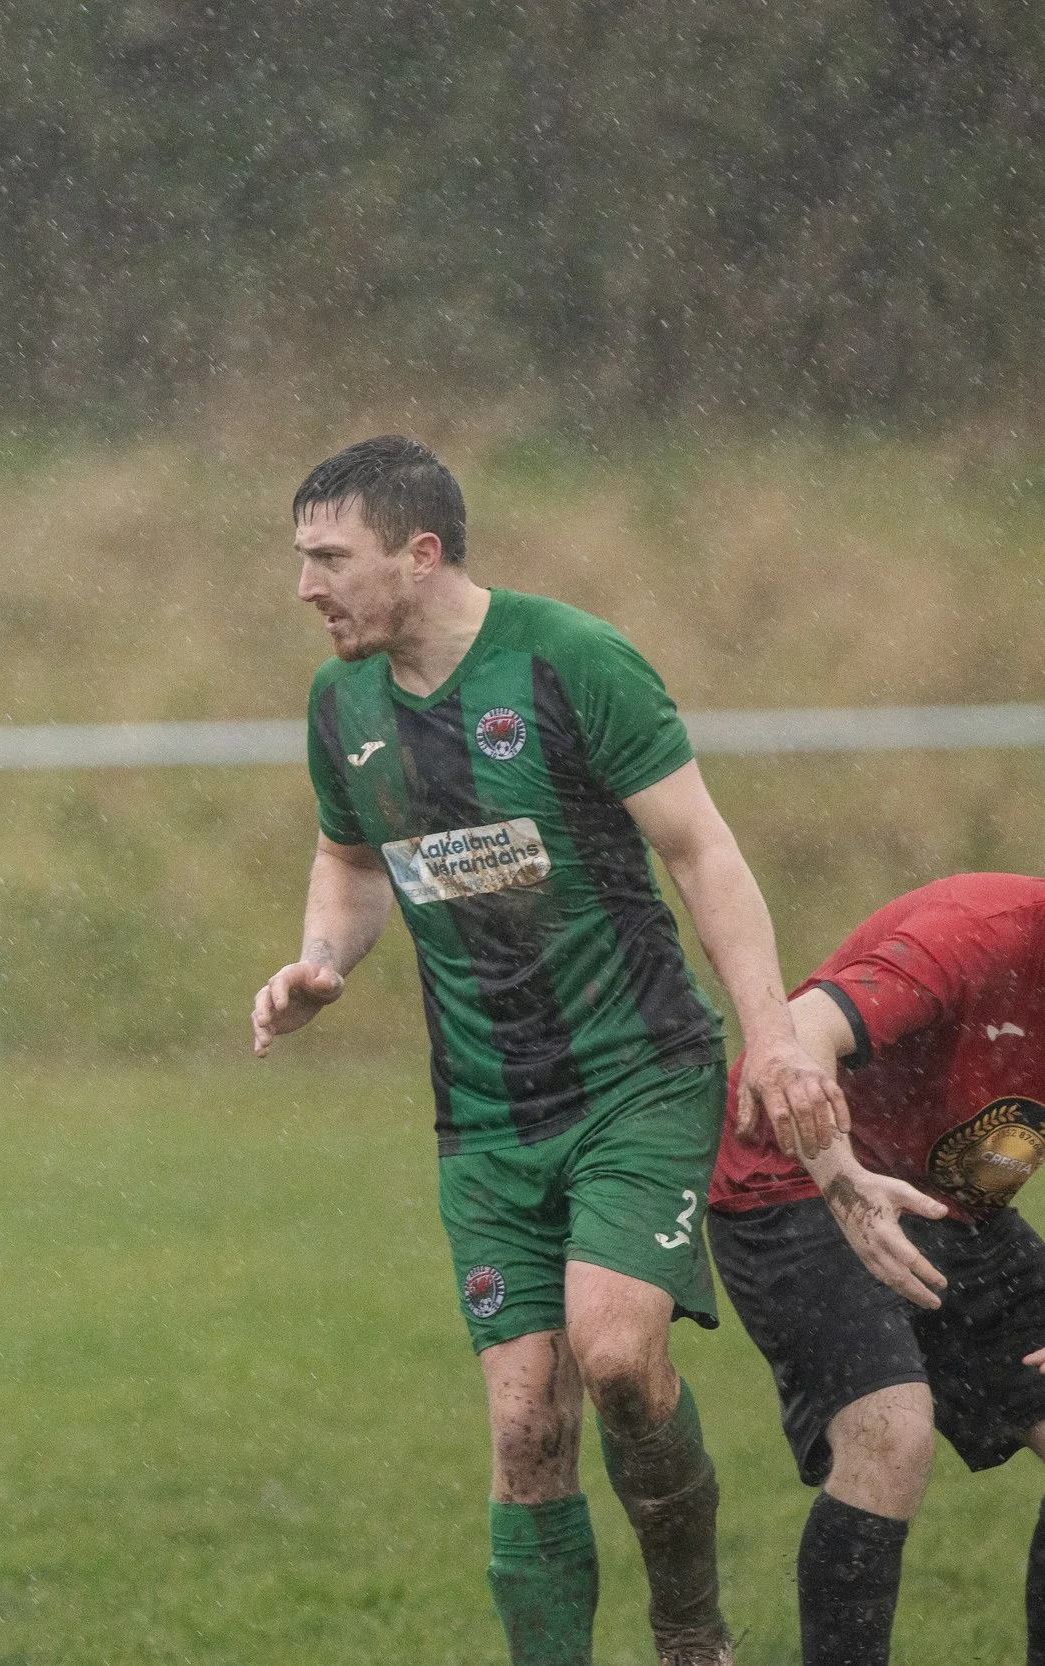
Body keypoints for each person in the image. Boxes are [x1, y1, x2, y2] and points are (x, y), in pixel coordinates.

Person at [250, 435, 846, 1666]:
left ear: (420, 555)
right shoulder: (340, 703)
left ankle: (690, 1634)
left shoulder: (571, 658)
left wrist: (773, 1036)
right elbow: (353, 860)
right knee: (525, 1429)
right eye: (299, 559)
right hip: (482, 1117)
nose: (305, 586)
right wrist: (321, 960)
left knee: (618, 1354)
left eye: (328, 558)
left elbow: (701, 851)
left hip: (635, 1079)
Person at [711, 872, 1045, 1666]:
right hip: (798, 1180)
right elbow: (794, 1035)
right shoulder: (980, 930)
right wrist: (846, 1187)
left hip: (956, 1205)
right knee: (890, 1435)